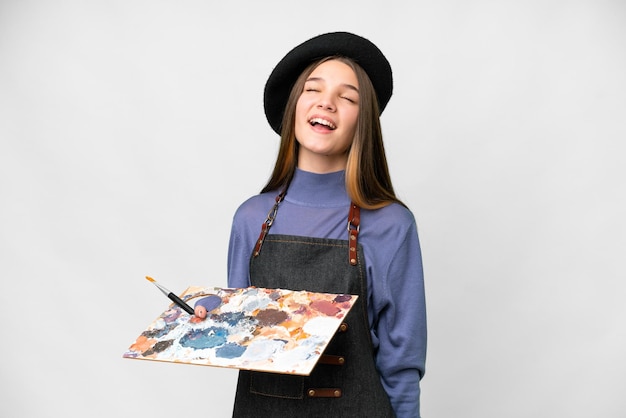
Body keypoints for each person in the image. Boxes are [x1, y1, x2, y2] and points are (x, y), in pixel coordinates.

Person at [194, 31, 427, 418]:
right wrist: (209, 313)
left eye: (347, 97)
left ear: (362, 120)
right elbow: (242, 332)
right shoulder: (251, 218)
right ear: (294, 107)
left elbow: (401, 362)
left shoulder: (391, 224)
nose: (327, 102)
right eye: (313, 89)